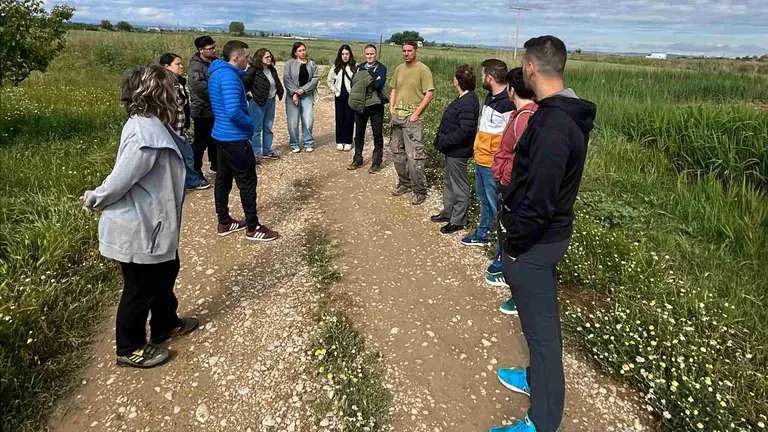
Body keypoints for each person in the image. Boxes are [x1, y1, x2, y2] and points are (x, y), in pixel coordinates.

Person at [491, 36, 596, 432]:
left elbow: (540, 197)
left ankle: (543, 421)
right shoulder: (564, 112)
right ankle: (536, 379)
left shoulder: (552, 124)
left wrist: (515, 241)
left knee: (542, 334)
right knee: (541, 324)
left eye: (524, 64)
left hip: (535, 242)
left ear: (531, 68)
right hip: (548, 237)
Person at [81, 65, 199, 369]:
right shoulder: (145, 134)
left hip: (153, 223)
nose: (178, 95)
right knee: (139, 287)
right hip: (138, 226)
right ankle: (129, 348)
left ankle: (164, 323)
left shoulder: (154, 125)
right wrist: (96, 197)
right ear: (157, 94)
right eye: (172, 89)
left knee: (167, 268)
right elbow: (121, 179)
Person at [208, 40, 279, 242]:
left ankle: (224, 221)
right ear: (236, 57)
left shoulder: (216, 74)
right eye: (246, 57)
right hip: (234, 137)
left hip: (220, 135)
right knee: (247, 182)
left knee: (222, 179)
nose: (248, 60)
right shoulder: (229, 77)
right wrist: (249, 124)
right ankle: (253, 227)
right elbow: (232, 111)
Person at [485, 67, 538, 316]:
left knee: (516, 237)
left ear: (512, 89)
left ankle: (521, 294)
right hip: (512, 186)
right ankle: (511, 277)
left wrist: (505, 180)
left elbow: (521, 159)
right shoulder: (525, 113)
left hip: (513, 189)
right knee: (510, 234)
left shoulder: (525, 118)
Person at [461, 59, 515, 247]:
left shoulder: (508, 102)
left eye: (483, 74)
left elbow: (511, 136)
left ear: (490, 77)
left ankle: (502, 249)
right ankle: (483, 233)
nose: (481, 77)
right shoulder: (490, 96)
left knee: (497, 206)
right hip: (481, 157)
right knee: (483, 200)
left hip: (494, 163)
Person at [430, 64, 479, 234]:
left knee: (459, 186)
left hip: (458, 151)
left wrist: (444, 141)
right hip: (452, 151)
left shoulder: (467, 102)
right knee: (449, 183)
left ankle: (458, 220)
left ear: (458, 81)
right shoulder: (464, 97)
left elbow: (465, 131)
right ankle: (448, 212)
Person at [389, 41, 434, 205]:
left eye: (409, 50)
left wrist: (416, 114)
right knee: (397, 153)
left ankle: (419, 190)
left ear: (416, 51)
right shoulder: (399, 69)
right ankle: (404, 183)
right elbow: (393, 88)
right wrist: (392, 107)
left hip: (412, 120)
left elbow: (429, 94)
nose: (406, 53)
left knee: (414, 156)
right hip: (397, 117)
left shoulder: (423, 70)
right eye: (404, 51)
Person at [159, 53, 211, 192]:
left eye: (181, 63)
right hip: (170, 129)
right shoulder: (165, 85)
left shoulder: (178, 82)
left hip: (179, 128)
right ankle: (191, 182)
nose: (181, 66)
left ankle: (183, 182)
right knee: (186, 156)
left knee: (184, 156)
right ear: (166, 67)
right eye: (177, 64)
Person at [347, 44, 387, 174]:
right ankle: (357, 159)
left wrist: (364, 81)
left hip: (376, 106)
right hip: (361, 106)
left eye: (372, 54)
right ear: (365, 55)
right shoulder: (359, 67)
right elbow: (354, 83)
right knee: (359, 134)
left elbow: (379, 84)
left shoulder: (382, 68)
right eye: (367, 54)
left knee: (377, 135)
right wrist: (372, 79)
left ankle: (376, 163)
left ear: (376, 54)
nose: (370, 56)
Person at [243, 48, 284, 162]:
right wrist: (249, 93)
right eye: (267, 57)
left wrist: (279, 92)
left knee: (268, 126)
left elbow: (276, 83)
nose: (269, 58)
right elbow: (242, 83)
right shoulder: (253, 71)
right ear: (260, 58)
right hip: (257, 103)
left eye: (270, 56)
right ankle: (255, 154)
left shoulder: (272, 69)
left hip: (270, 101)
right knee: (256, 128)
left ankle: (267, 151)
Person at [189, 35, 218, 176]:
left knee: (215, 139)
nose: (213, 50)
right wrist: (218, 90)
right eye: (210, 48)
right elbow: (199, 88)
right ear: (201, 50)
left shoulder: (215, 61)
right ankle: (195, 171)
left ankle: (215, 165)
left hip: (215, 109)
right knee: (201, 142)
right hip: (202, 110)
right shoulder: (196, 66)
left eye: (214, 47)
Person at [283, 42, 319, 153]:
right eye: (300, 50)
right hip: (291, 96)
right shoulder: (289, 64)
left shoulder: (311, 64)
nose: (302, 52)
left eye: (304, 50)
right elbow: (286, 79)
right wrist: (294, 93)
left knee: (308, 119)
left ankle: (308, 142)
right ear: (295, 52)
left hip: (306, 94)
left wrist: (303, 90)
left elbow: (315, 79)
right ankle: (294, 143)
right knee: (293, 121)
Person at [327, 44, 356, 152]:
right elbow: (329, 81)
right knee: (339, 118)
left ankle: (348, 141)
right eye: (343, 54)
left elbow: (357, 81)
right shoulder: (335, 68)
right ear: (340, 55)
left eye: (347, 54)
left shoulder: (354, 67)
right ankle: (339, 141)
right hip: (339, 96)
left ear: (350, 55)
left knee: (349, 118)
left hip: (350, 96)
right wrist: (334, 90)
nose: (345, 56)